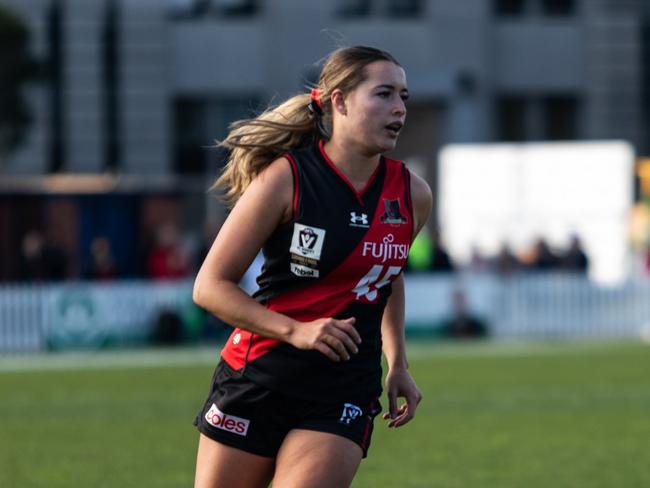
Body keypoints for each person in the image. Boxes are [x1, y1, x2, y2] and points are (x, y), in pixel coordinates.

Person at [192, 46, 432, 488]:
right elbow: (209, 287)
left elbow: (385, 277)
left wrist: (397, 362)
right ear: (339, 101)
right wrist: (296, 331)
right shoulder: (285, 179)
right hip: (259, 375)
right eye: (383, 94)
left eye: (403, 96)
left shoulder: (412, 194)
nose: (399, 108)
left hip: (343, 387)